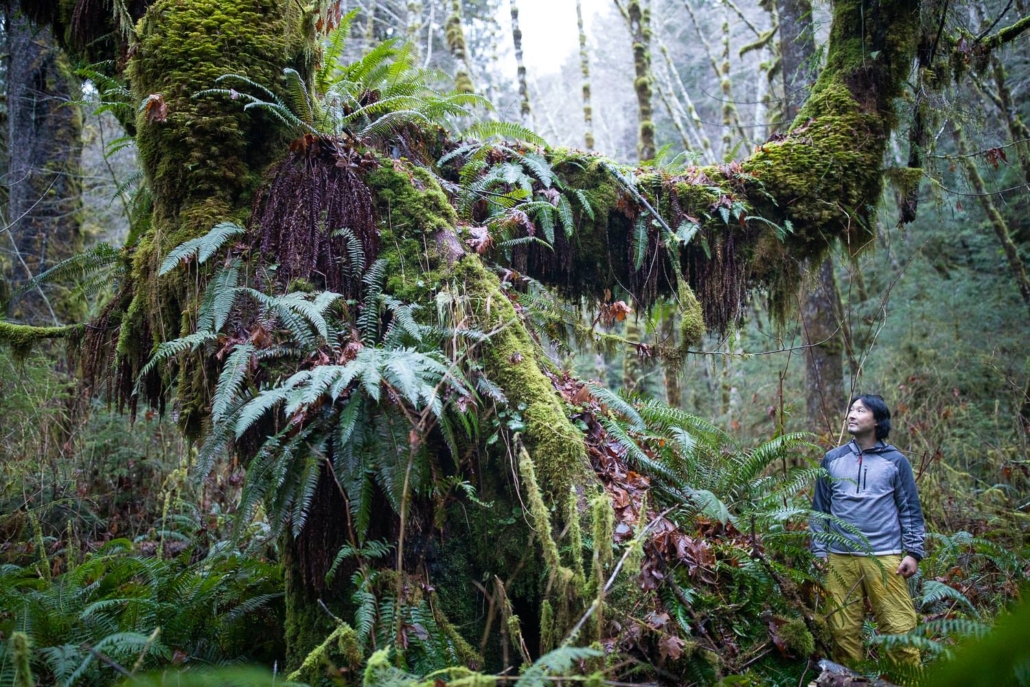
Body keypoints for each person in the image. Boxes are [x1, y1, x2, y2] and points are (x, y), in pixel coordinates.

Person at [810, 394, 925, 667]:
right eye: (851, 409)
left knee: (899, 629)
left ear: (877, 420)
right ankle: (850, 681)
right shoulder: (832, 459)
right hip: (839, 557)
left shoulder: (896, 461)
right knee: (842, 631)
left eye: (860, 410)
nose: (852, 414)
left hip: (885, 557)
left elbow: (910, 509)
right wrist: (818, 548)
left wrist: (914, 553)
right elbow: (819, 510)